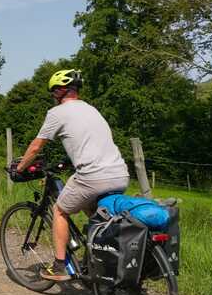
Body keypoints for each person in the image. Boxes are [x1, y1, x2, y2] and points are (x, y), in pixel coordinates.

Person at [15, 69, 129, 281]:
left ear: (60, 91)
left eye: (53, 93)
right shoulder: (92, 110)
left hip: (94, 176)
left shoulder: (57, 113)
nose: (53, 97)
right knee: (94, 211)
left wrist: (20, 168)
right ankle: (99, 255)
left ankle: (59, 267)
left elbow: (36, 147)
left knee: (60, 210)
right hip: (120, 174)